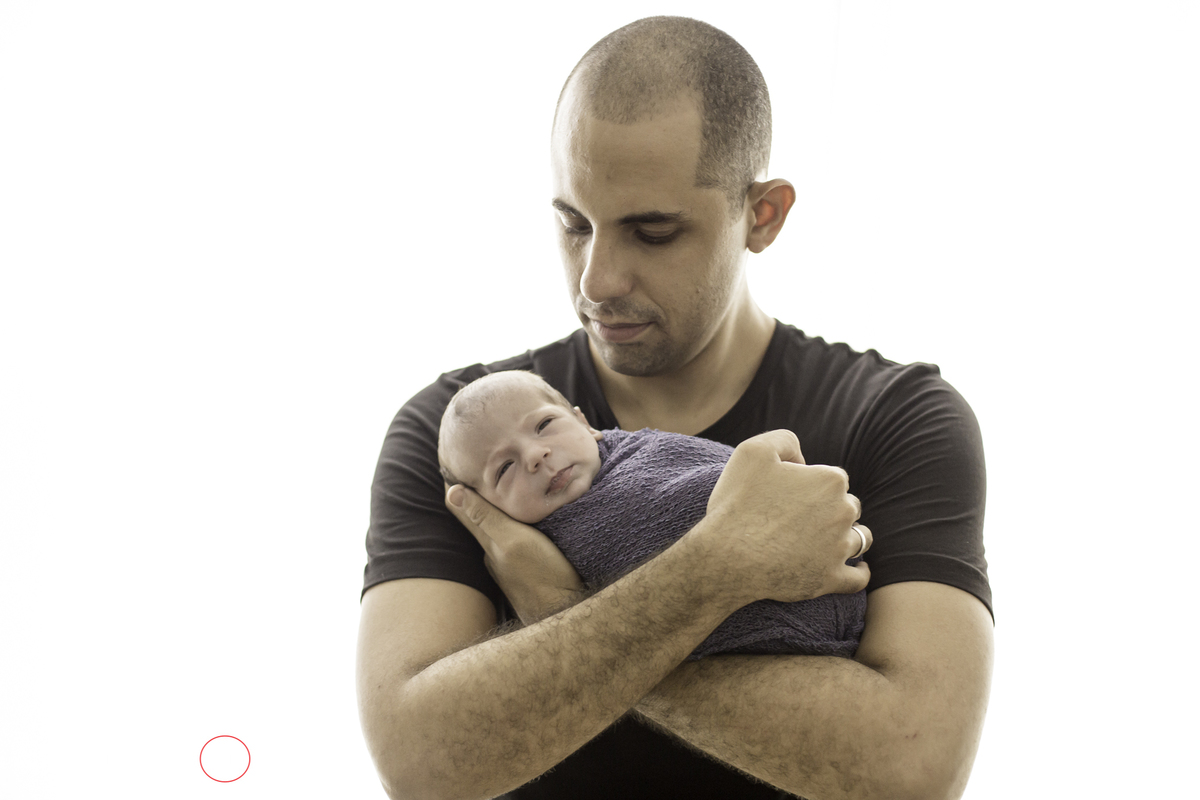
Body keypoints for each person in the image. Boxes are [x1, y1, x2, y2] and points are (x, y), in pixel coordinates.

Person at [357, 15, 992, 800]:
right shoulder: (463, 435)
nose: (596, 280)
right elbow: (424, 766)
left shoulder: (897, 418)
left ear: (763, 216)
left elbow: (910, 772)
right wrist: (715, 569)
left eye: (651, 231)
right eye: (573, 223)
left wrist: (566, 610)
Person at [436, 369, 867, 661]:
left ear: (584, 423)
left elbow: (719, 475)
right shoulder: (535, 550)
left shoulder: (647, 449)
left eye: (544, 425)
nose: (535, 455)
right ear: (485, 508)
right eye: (504, 468)